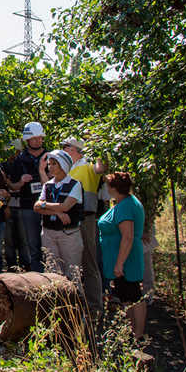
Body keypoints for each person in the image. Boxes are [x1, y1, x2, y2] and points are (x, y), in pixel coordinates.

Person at [98, 172, 146, 339]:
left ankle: (138, 334)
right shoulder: (122, 202)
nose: (106, 189)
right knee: (125, 294)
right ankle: (131, 331)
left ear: (114, 188)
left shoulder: (126, 206)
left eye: (108, 186)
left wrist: (119, 263)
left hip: (126, 258)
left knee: (134, 294)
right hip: (118, 257)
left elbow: (128, 236)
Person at [62, 137, 107, 318]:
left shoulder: (88, 165)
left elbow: (101, 167)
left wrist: (98, 145)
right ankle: (72, 305)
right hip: (66, 218)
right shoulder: (65, 167)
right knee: (70, 261)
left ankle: (94, 307)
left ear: (73, 149)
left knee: (89, 260)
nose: (63, 149)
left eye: (65, 147)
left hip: (86, 218)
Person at [34, 149, 84, 282]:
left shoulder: (75, 185)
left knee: (72, 273)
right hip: (49, 232)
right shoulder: (48, 186)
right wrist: (56, 212)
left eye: (53, 164)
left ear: (63, 165)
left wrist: (45, 205)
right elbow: (36, 207)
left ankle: (74, 301)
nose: (50, 167)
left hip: (68, 234)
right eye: (49, 164)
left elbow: (65, 206)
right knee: (52, 273)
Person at [9, 122, 49, 271]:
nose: (37, 141)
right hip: (28, 208)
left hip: (49, 207)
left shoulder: (51, 157)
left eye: (39, 138)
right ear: (27, 140)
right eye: (34, 138)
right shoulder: (20, 160)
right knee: (33, 246)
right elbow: (11, 185)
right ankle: (38, 278)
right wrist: (20, 182)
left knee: (49, 246)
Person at [1, 149, 30, 270]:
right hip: (8, 205)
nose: (13, 155)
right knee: (9, 239)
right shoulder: (2, 166)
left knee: (24, 238)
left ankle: (26, 263)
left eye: (16, 151)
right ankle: (11, 264)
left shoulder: (25, 164)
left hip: (22, 205)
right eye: (10, 152)